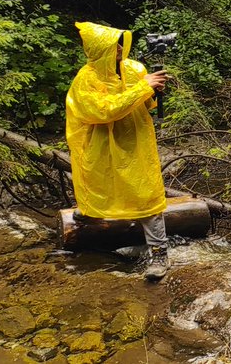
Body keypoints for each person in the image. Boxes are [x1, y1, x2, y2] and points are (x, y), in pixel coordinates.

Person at [65, 22, 171, 281]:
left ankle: (160, 254)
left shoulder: (135, 69)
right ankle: (90, 210)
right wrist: (144, 87)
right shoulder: (85, 80)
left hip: (134, 139)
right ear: (100, 51)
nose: (121, 49)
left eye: (121, 43)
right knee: (98, 180)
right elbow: (103, 110)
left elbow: (143, 101)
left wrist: (152, 92)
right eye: (114, 46)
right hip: (100, 142)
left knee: (145, 193)